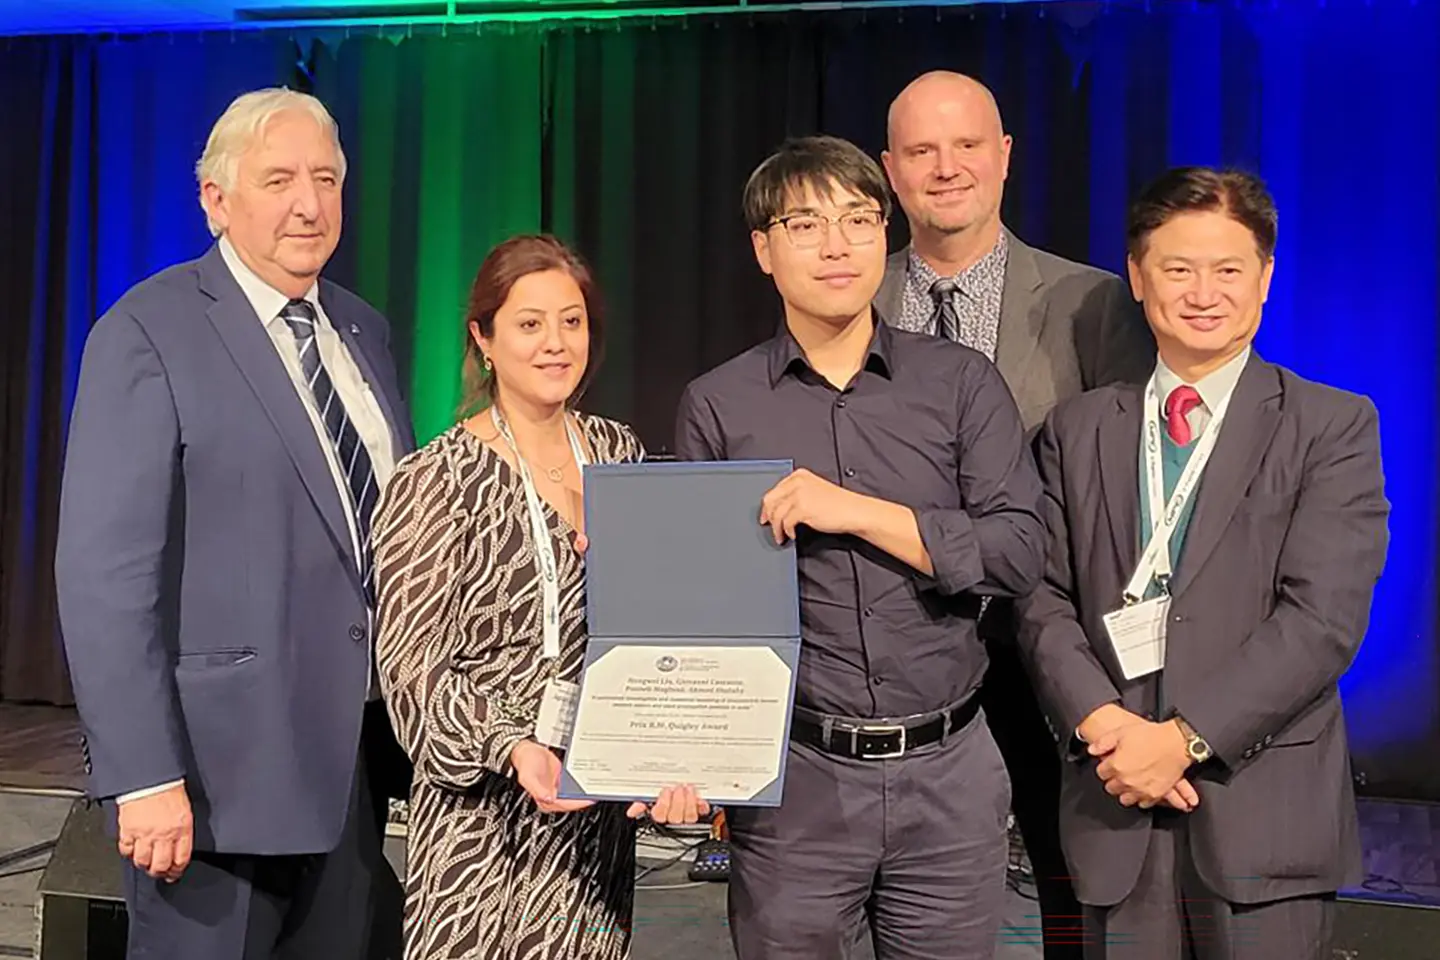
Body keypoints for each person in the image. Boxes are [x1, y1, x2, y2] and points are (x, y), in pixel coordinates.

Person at [54, 88, 413, 958]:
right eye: (280, 178)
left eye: (327, 178)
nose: (309, 203)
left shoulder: (362, 330)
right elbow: (105, 576)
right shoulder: (148, 329)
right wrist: (142, 775)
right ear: (216, 200)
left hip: (352, 778)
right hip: (215, 793)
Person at [675, 135, 1045, 960]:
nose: (837, 244)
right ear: (764, 250)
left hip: (950, 772)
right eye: (805, 225)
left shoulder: (960, 384)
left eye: (859, 219)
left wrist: (859, 512)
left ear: (886, 235)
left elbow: (1019, 551)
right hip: (800, 780)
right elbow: (700, 608)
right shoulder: (719, 404)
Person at [1015, 166, 1389, 959]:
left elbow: (1322, 620)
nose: (1203, 292)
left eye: (1228, 270)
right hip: (1114, 808)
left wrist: (1181, 739)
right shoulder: (1076, 431)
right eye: (1179, 269)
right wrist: (1105, 724)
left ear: (1264, 280)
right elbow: (1039, 597)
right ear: (1139, 277)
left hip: (1262, 822)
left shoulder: (1331, 426)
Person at [876, 69, 1157, 958]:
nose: (945, 167)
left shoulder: (1094, 303)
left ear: (1004, 158)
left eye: (966, 146)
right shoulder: (851, 297)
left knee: (1073, 887)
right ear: (891, 171)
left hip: (1049, 648)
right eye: (922, 150)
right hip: (899, 653)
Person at [372, 234, 706, 960]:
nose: (555, 343)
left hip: (592, 818)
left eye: (572, 321)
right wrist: (511, 746)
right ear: (482, 339)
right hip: (480, 823)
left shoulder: (621, 457)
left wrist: (680, 759)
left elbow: (662, 634)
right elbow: (408, 673)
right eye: (529, 324)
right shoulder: (435, 481)